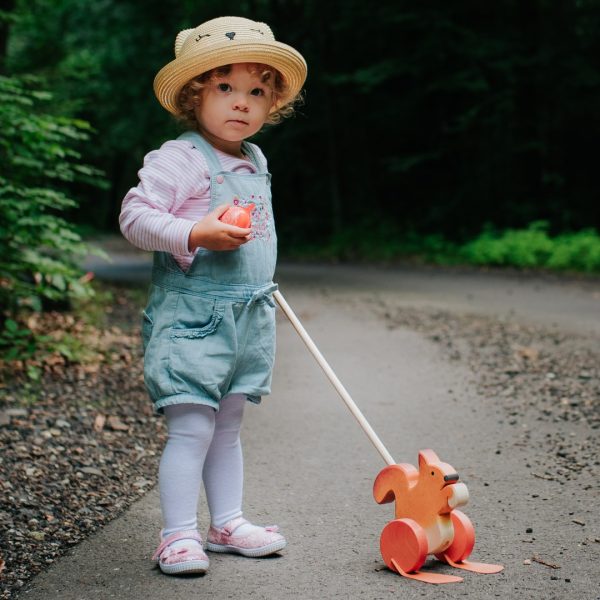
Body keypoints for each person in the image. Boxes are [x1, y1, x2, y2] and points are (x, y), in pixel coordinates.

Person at [119, 16, 306, 576]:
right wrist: (193, 231)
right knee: (193, 426)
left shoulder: (254, 160)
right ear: (195, 94)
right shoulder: (181, 157)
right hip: (193, 318)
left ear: (271, 103)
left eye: (256, 91)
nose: (241, 103)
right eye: (225, 88)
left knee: (228, 425)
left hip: (248, 316)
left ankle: (225, 521)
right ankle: (176, 535)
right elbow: (134, 216)